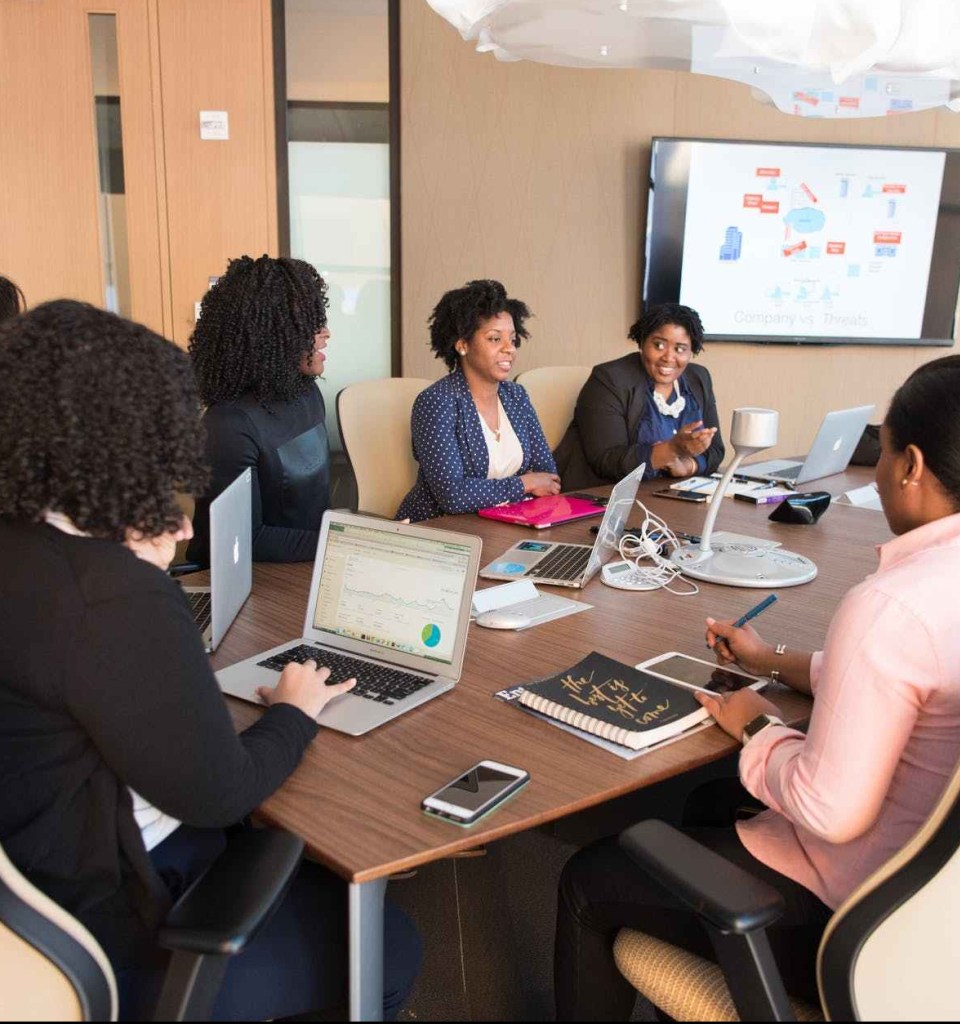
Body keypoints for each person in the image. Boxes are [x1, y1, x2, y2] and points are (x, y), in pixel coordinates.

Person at [555, 354, 960, 1020]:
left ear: (912, 466)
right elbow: (908, 679)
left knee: (587, 878)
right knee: (710, 799)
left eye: (885, 453)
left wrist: (755, 722)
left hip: (861, 930)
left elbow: (830, 810)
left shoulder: (895, 604)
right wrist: (771, 659)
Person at [0, 301, 420, 1020]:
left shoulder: (30, 547)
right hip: (123, 929)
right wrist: (293, 708)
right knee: (391, 944)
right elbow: (222, 792)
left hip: (38, 892)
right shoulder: (108, 596)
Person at [187, 254, 332, 564]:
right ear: (272, 335)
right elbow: (246, 540)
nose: (326, 334)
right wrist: (341, 546)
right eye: (310, 325)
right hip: (246, 578)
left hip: (305, 564)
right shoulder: (228, 425)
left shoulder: (307, 393)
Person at [396, 279, 561, 521]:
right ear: (463, 345)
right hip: (443, 532)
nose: (509, 348)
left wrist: (530, 486)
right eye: (495, 339)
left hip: (506, 523)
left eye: (513, 339)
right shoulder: (436, 402)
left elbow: (548, 476)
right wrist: (524, 484)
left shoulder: (516, 395)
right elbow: (453, 495)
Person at [554, 303, 725, 490]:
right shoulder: (609, 379)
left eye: (680, 349)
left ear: (692, 350)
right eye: (659, 345)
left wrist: (688, 466)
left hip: (668, 495)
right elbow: (606, 460)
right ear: (642, 342)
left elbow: (715, 451)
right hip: (603, 497)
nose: (668, 357)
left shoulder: (698, 379)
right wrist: (672, 450)